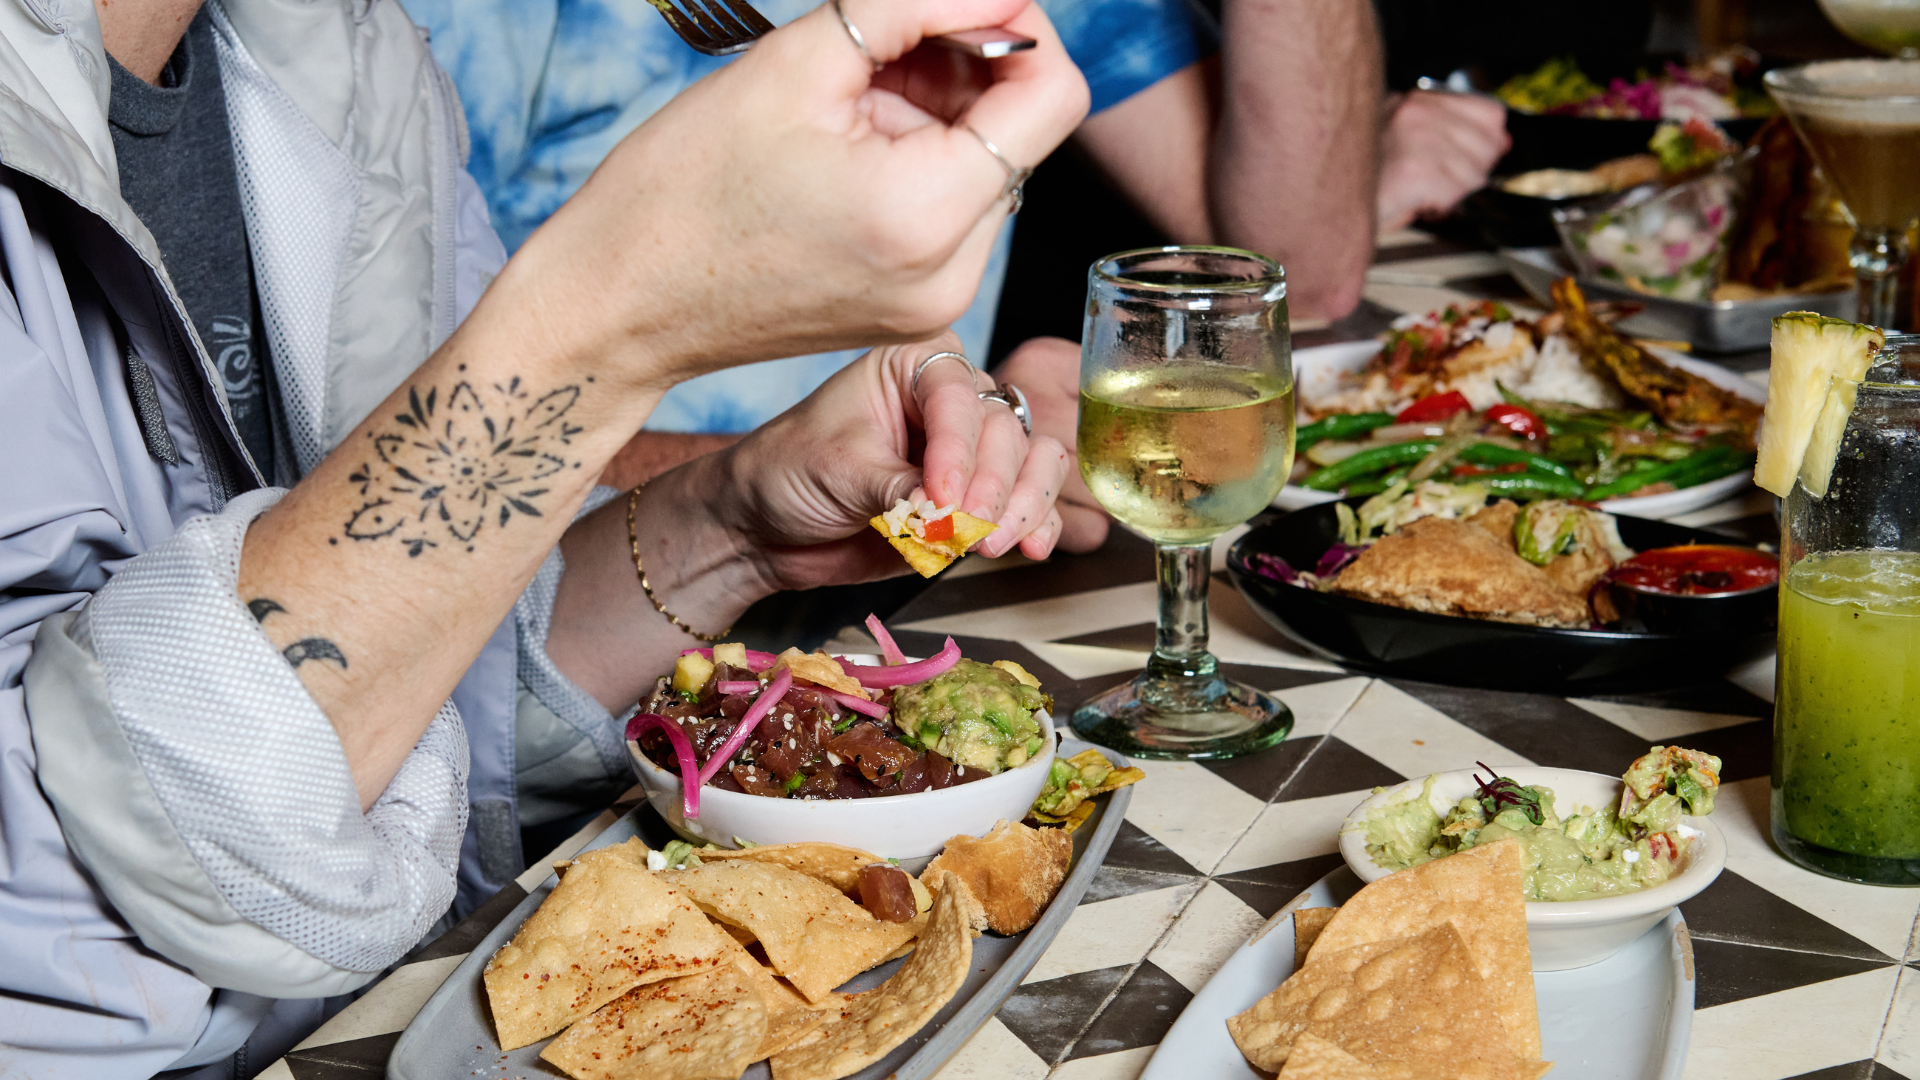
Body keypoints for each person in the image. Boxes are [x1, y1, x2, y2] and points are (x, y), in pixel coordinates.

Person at [0, 0, 1085, 1073]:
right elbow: (34, 965)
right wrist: (604, 324)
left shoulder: (344, 54)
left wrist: (733, 526)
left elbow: (429, 705)